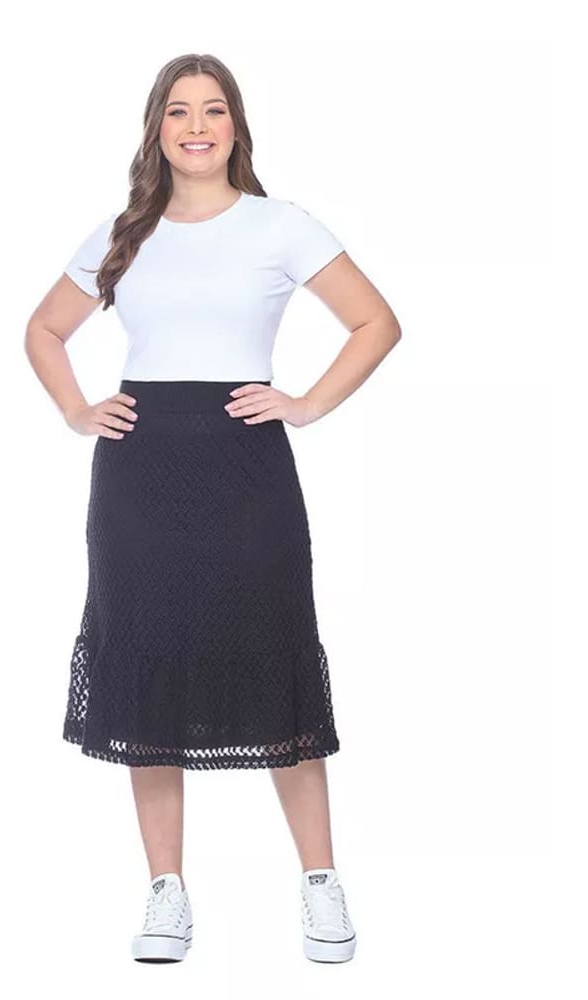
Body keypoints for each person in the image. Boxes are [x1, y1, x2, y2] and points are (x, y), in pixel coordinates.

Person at [24, 54, 401, 964]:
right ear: (157, 129)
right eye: (180, 112)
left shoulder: (281, 225)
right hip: (139, 473)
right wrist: (76, 410)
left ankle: (320, 882)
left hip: (245, 468)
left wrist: (305, 403)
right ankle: (166, 892)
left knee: (275, 659)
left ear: (236, 125)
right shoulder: (124, 232)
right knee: (146, 668)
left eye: (214, 110)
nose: (197, 127)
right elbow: (43, 329)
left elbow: (377, 322)